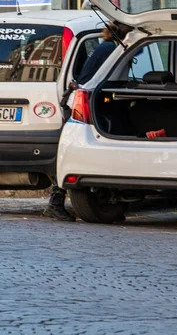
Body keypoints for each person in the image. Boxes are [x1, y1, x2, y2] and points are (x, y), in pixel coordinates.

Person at [42, 21, 133, 221]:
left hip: (82, 100)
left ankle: (107, 204)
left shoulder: (107, 47)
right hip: (85, 103)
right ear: (125, 35)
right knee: (71, 153)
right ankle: (55, 203)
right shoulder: (112, 50)